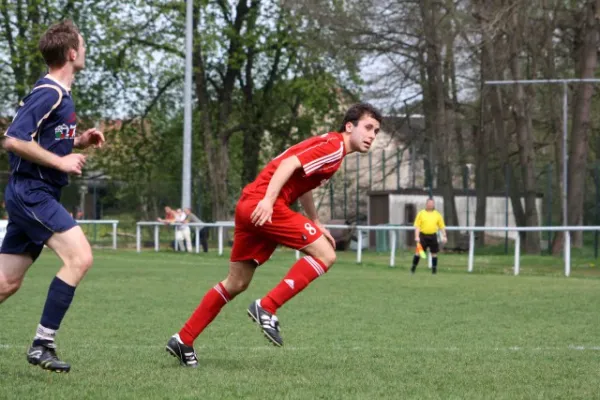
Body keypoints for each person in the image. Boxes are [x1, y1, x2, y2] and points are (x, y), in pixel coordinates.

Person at [166, 103, 382, 367]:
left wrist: (315, 220)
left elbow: (303, 181)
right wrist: (268, 201)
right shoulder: (334, 147)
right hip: (265, 204)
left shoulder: (331, 148)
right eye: (368, 127)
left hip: (249, 205)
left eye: (376, 131)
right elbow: (290, 164)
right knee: (326, 255)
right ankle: (267, 307)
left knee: (236, 283)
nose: (372, 135)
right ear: (350, 127)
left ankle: (183, 339)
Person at [0, 20, 105, 373]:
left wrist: (77, 142)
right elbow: (14, 139)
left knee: (6, 283)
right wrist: (61, 159)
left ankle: (42, 343)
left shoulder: (58, 93)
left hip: (32, 193)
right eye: (83, 44)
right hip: (34, 194)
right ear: (72, 53)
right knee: (80, 258)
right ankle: (42, 343)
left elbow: (42, 137)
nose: (86, 49)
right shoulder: (51, 92)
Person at [410, 198, 447, 274]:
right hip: (423, 236)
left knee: (434, 253)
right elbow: (417, 226)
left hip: (433, 236)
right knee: (418, 252)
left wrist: (444, 236)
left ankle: (434, 271)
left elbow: (442, 226)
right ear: (426, 204)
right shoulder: (421, 214)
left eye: (432, 204)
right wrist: (417, 236)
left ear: (433, 205)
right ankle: (413, 268)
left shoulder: (437, 214)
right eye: (429, 203)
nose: (430, 205)